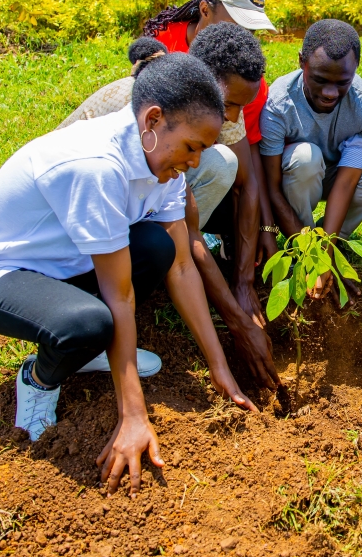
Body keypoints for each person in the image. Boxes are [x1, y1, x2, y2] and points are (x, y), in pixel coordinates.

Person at [0, 54, 256, 495]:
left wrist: (219, 366)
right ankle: (39, 379)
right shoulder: (94, 167)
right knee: (90, 322)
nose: (194, 161)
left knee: (159, 246)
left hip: (63, 265)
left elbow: (182, 265)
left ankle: (88, 349)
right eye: (191, 147)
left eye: (202, 150)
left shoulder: (161, 161)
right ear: (152, 119)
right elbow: (119, 294)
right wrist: (133, 415)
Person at [59, 31, 279, 389]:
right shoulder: (143, 110)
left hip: (128, 201)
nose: (234, 118)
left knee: (220, 166)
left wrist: (243, 284)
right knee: (151, 254)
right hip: (78, 214)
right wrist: (237, 322)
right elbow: (185, 236)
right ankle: (92, 323)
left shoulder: (211, 107)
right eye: (230, 107)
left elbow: (244, 182)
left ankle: (135, 280)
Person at [259, 19, 362, 298]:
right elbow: (271, 187)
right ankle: (305, 246)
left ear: (355, 71)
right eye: (320, 80)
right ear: (302, 62)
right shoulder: (280, 102)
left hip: (340, 175)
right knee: (306, 158)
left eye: (341, 83)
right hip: (298, 177)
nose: (329, 93)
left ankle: (331, 241)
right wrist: (313, 260)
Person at [143, 0, 280, 264]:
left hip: (203, 178)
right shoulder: (160, 51)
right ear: (205, 9)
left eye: (251, 29)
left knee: (224, 163)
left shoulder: (247, 84)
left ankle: (190, 242)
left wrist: (264, 228)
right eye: (238, 24)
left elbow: (249, 161)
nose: (245, 36)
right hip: (149, 168)